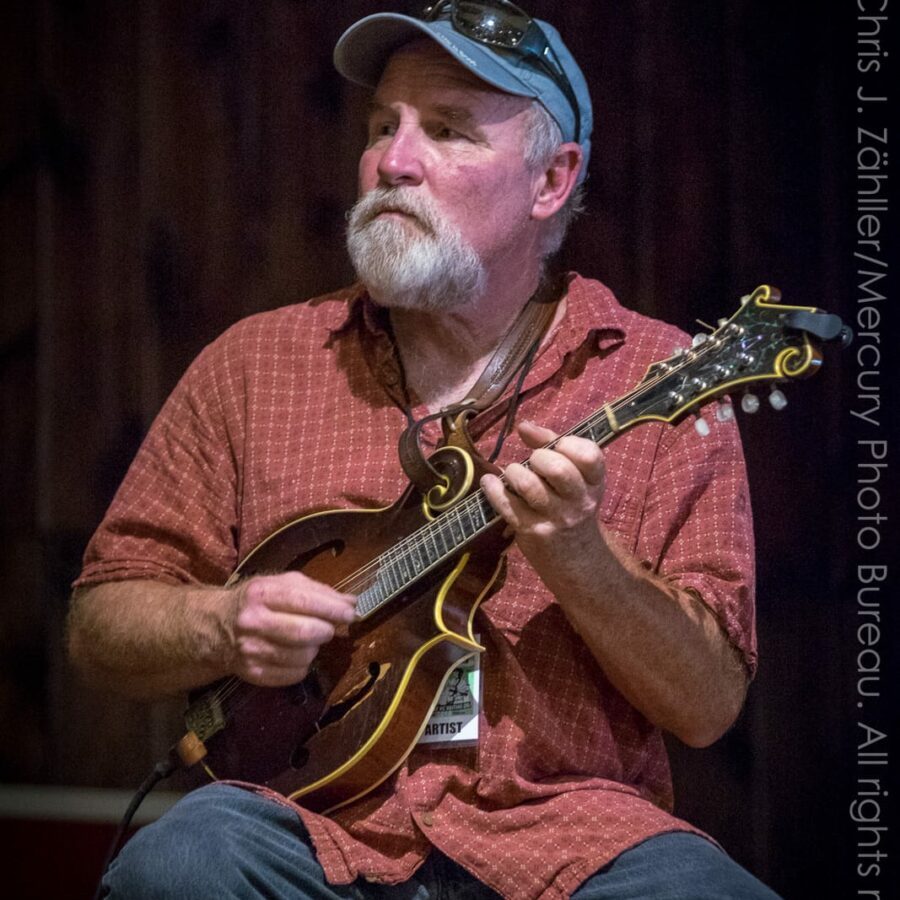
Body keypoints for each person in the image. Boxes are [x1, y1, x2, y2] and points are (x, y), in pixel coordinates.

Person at [68, 3, 780, 898]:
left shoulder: (654, 373)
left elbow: (708, 708)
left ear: (552, 181)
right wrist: (222, 621)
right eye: (381, 127)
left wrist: (583, 560)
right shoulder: (256, 364)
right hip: (302, 828)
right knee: (179, 861)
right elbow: (101, 624)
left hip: (571, 842)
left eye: (445, 131)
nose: (392, 162)